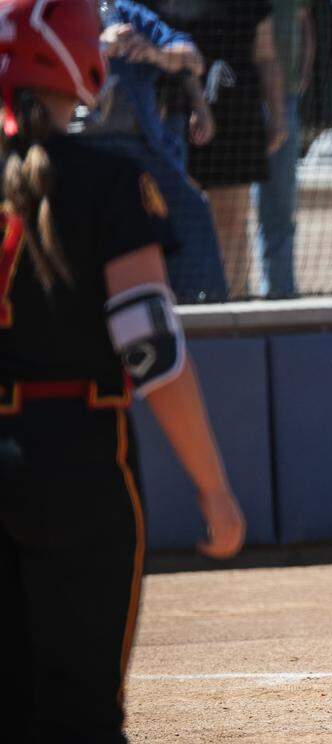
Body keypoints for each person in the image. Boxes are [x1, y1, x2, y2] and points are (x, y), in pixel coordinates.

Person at [0, 0, 245, 739]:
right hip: (80, 459)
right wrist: (215, 490)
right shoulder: (107, 181)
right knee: (82, 714)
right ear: (78, 60)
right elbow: (152, 351)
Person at [80, 0, 228, 303]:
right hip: (73, 147)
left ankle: (200, 309)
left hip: (138, 151)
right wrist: (98, 47)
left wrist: (152, 52)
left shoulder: (125, 13)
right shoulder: (49, 10)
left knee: (192, 210)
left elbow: (194, 59)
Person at [149, 0, 287, 299]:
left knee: (233, 222)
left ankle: (234, 307)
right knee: (180, 220)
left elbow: (265, 56)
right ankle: (187, 305)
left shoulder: (252, 7)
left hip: (237, 121)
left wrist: (277, 116)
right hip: (177, 121)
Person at [253, 0, 315, 299]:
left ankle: (280, 291)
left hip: (286, 100)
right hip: (242, 96)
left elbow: (305, 21)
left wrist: (302, 73)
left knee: (280, 204)